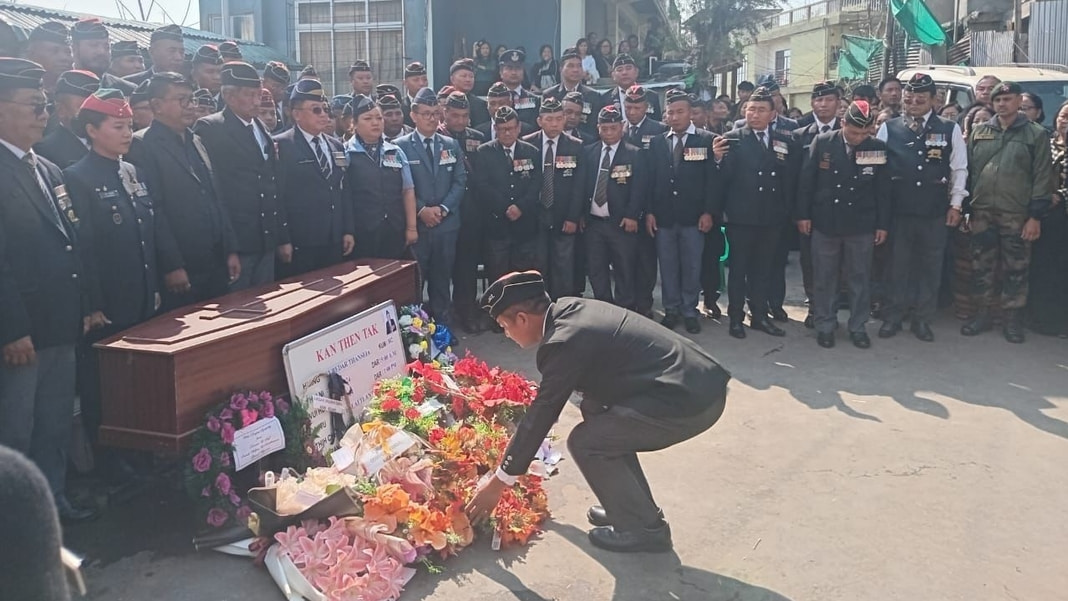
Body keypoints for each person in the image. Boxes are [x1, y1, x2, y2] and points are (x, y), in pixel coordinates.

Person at [466, 271, 729, 553]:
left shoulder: (562, 342)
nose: (506, 335)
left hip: (689, 402)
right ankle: (632, 511)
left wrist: (499, 482)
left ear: (522, 319)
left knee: (588, 443)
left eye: (505, 326)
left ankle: (644, 531)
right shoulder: (569, 309)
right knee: (598, 416)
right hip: (696, 383)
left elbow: (541, 414)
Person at [0, 57, 101, 523]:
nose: (42, 114)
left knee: (54, 422)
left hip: (61, 322)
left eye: (44, 105)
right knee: (15, 433)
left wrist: (83, 306)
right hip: (21, 334)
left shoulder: (49, 169)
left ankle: (52, 506)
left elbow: (72, 245)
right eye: (32, 106)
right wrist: (12, 328)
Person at [64, 89, 171, 483]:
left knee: (137, 382)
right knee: (104, 389)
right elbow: (83, 248)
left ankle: (140, 456)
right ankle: (109, 466)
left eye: (129, 125)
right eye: (117, 126)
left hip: (141, 296)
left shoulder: (131, 171)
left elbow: (147, 232)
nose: (128, 133)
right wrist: (92, 303)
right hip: (108, 303)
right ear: (92, 130)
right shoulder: (77, 178)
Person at [126, 72, 238, 310]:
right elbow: (153, 209)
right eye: (182, 100)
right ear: (157, 105)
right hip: (182, 266)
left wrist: (230, 249)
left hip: (215, 261)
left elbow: (216, 196)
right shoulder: (143, 145)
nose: (191, 106)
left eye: (192, 99)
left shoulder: (196, 140)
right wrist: (172, 264)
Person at [876, 73, 968, 342]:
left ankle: (922, 319)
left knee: (930, 267)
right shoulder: (889, 128)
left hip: (934, 212)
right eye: (909, 97)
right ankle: (893, 316)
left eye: (920, 97)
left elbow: (959, 169)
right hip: (899, 212)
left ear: (933, 100)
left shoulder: (949, 129)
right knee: (897, 266)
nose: (913, 102)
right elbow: (880, 171)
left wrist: (956, 204)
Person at [961, 81, 1053, 343]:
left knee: (1016, 268)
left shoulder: (1035, 134)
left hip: (1017, 214)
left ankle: (1012, 320)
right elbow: (969, 172)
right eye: (998, 100)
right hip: (982, 212)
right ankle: (981, 314)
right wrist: (967, 208)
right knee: (981, 266)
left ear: (1018, 102)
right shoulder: (980, 131)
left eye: (1008, 99)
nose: (1003, 104)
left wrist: (1035, 216)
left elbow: (1042, 177)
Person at [796, 100, 890, 349]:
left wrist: (882, 224)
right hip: (826, 222)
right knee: (825, 277)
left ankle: (858, 326)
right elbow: (807, 182)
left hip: (861, 224)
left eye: (863, 133)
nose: (858, 138)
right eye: (853, 132)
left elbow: (883, 190)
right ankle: (825, 324)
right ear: (843, 123)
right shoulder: (824, 142)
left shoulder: (877, 148)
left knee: (859, 278)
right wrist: (803, 216)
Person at [715, 85, 799, 339]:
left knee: (764, 270)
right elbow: (722, 180)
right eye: (751, 109)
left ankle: (760, 315)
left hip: (771, 217)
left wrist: (787, 212)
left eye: (762, 110)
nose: (755, 114)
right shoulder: (732, 139)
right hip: (741, 217)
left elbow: (790, 179)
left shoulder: (784, 140)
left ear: (773, 114)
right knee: (739, 270)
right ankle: (736, 317)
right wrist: (717, 159)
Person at [193, 61, 286, 289]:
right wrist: (229, 247)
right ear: (229, 96)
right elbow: (215, 193)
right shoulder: (211, 128)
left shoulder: (260, 128)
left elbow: (273, 184)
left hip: (265, 237)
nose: (257, 101)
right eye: (249, 95)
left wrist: (282, 236)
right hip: (237, 240)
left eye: (258, 94)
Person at [646, 90, 719, 334]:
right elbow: (651, 179)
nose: (675, 117)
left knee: (691, 267)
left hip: (694, 217)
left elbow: (712, 180)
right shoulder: (657, 142)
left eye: (680, 112)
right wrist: (649, 212)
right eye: (671, 112)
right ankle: (671, 309)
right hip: (664, 217)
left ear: (690, 113)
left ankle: (690, 310)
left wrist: (709, 211)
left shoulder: (706, 140)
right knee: (667, 267)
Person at [395, 88, 467, 328]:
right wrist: (422, 210)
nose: (431, 118)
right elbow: (400, 186)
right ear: (413, 115)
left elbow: (460, 181)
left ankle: (443, 331)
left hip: (446, 225)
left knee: (442, 281)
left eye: (435, 113)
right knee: (416, 284)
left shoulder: (451, 144)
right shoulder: (399, 146)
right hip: (418, 227)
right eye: (425, 113)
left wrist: (444, 208)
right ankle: (416, 335)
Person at [273, 79, 353, 279]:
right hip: (302, 241)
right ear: (297, 114)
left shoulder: (336, 146)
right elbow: (277, 196)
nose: (324, 114)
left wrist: (348, 230)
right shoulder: (282, 146)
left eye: (325, 109)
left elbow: (344, 189)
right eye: (316, 110)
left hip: (334, 238)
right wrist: (283, 239)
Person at [785, 80, 842, 328]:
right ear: (812, 103)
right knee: (809, 262)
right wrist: (799, 214)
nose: (823, 104)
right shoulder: (800, 134)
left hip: (841, 210)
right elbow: (795, 179)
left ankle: (831, 308)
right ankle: (814, 306)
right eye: (819, 100)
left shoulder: (850, 128)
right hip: (810, 212)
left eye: (829, 99)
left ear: (838, 104)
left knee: (840, 264)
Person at [523, 98, 585, 299]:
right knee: (537, 264)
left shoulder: (576, 146)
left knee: (563, 264)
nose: (554, 124)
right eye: (549, 119)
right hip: (535, 214)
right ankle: (541, 307)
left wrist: (573, 217)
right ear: (540, 121)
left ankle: (563, 307)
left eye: (559, 119)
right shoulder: (527, 143)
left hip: (564, 214)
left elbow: (579, 186)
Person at [471, 106, 541, 285]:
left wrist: (520, 207)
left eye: (510, 128)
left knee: (523, 277)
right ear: (495, 129)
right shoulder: (484, 152)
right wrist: (505, 207)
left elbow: (536, 185)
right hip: (497, 225)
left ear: (519, 128)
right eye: (502, 129)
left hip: (524, 226)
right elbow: (482, 185)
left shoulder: (531, 152)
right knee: (497, 275)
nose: (507, 133)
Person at [584, 105, 645, 310]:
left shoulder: (634, 154)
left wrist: (632, 215)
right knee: (596, 269)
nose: (609, 132)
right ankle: (604, 308)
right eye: (604, 128)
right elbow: (581, 186)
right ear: (598, 128)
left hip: (620, 222)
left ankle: (625, 308)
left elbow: (639, 189)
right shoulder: (588, 152)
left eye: (613, 128)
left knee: (624, 268)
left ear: (622, 127)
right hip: (593, 223)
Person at [344, 94, 418, 259]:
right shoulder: (346, 153)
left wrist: (411, 228)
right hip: (362, 231)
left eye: (379, 118)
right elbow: (343, 196)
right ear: (354, 123)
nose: (375, 122)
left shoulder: (395, 151)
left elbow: (408, 190)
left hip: (394, 228)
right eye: (368, 118)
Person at [439, 91, 488, 333]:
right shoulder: (437, 137)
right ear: (444, 113)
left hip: (472, 213)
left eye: (464, 116)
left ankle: (466, 310)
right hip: (444, 213)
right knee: (442, 268)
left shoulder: (477, 138)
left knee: (467, 268)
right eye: (455, 115)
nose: (459, 121)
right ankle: (442, 312)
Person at [620, 85, 668, 317]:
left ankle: (645, 303)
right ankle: (628, 302)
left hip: (650, 204)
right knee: (624, 259)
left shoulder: (659, 130)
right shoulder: (619, 130)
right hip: (623, 204)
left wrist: (650, 210)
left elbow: (659, 173)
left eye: (637, 107)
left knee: (647, 259)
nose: (632, 111)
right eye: (628, 106)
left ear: (647, 107)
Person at [1027, 99, 1068, 336]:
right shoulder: (1045, 141)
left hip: (1062, 209)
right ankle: (1041, 317)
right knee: (1043, 266)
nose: (1065, 122)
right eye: (1063, 116)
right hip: (1045, 214)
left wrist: (1060, 195)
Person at [34, 70, 99, 169]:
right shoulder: (46, 150)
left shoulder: (110, 140)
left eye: (96, 108)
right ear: (61, 110)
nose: (90, 115)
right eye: (82, 109)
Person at [541, 47, 603, 139]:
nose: (576, 70)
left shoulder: (593, 96)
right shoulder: (550, 94)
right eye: (571, 66)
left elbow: (594, 128)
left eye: (579, 66)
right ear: (561, 69)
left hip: (584, 144)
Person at [70, 18, 134, 95]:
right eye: (94, 45)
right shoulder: (63, 85)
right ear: (75, 48)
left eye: (106, 47)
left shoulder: (127, 90)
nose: (101, 51)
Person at [604, 54, 661, 121]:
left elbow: (658, 125)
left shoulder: (651, 96)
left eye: (628, 68)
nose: (624, 72)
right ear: (613, 75)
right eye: (620, 70)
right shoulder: (604, 99)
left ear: (636, 72)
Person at [23, 22, 72, 96]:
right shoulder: (15, 91)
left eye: (68, 52)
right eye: (54, 51)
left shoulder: (75, 93)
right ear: (31, 54)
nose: (64, 58)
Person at [497, 49, 539, 125]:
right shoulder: (494, 99)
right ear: (501, 72)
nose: (514, 72)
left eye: (518, 68)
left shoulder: (534, 100)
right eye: (509, 68)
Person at [450, 58, 490, 128]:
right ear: (452, 79)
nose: (468, 80)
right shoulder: (444, 100)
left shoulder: (480, 104)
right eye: (464, 76)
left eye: (471, 76)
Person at [400, 61, 428, 126]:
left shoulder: (433, 104)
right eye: (416, 80)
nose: (421, 83)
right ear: (405, 83)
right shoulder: (400, 106)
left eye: (424, 79)